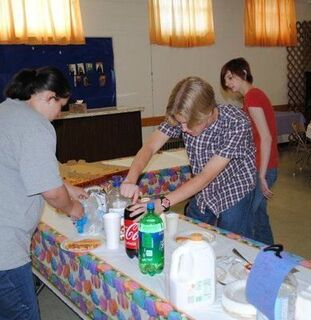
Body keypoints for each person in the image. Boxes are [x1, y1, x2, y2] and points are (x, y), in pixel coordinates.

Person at [0, 66, 87, 319]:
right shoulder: (35, 125)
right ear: (49, 96)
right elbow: (50, 192)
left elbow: (24, 169)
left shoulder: (7, 111)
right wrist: (73, 207)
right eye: (61, 106)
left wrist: (69, 188)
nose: (59, 114)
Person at [120, 76, 256, 237]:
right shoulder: (185, 116)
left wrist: (162, 203)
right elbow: (150, 147)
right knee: (190, 235)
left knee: (232, 240)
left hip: (234, 191)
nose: (183, 129)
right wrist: (130, 179)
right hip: (204, 192)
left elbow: (206, 176)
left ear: (207, 113)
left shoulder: (237, 123)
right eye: (180, 123)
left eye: (187, 124)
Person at [220, 57, 278, 244]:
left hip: (263, 165)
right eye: (226, 80)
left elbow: (266, 137)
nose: (228, 84)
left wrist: (261, 175)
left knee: (249, 217)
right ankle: (270, 254)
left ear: (243, 74)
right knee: (259, 214)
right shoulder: (254, 96)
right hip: (264, 164)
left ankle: (256, 255)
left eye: (230, 78)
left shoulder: (252, 97)